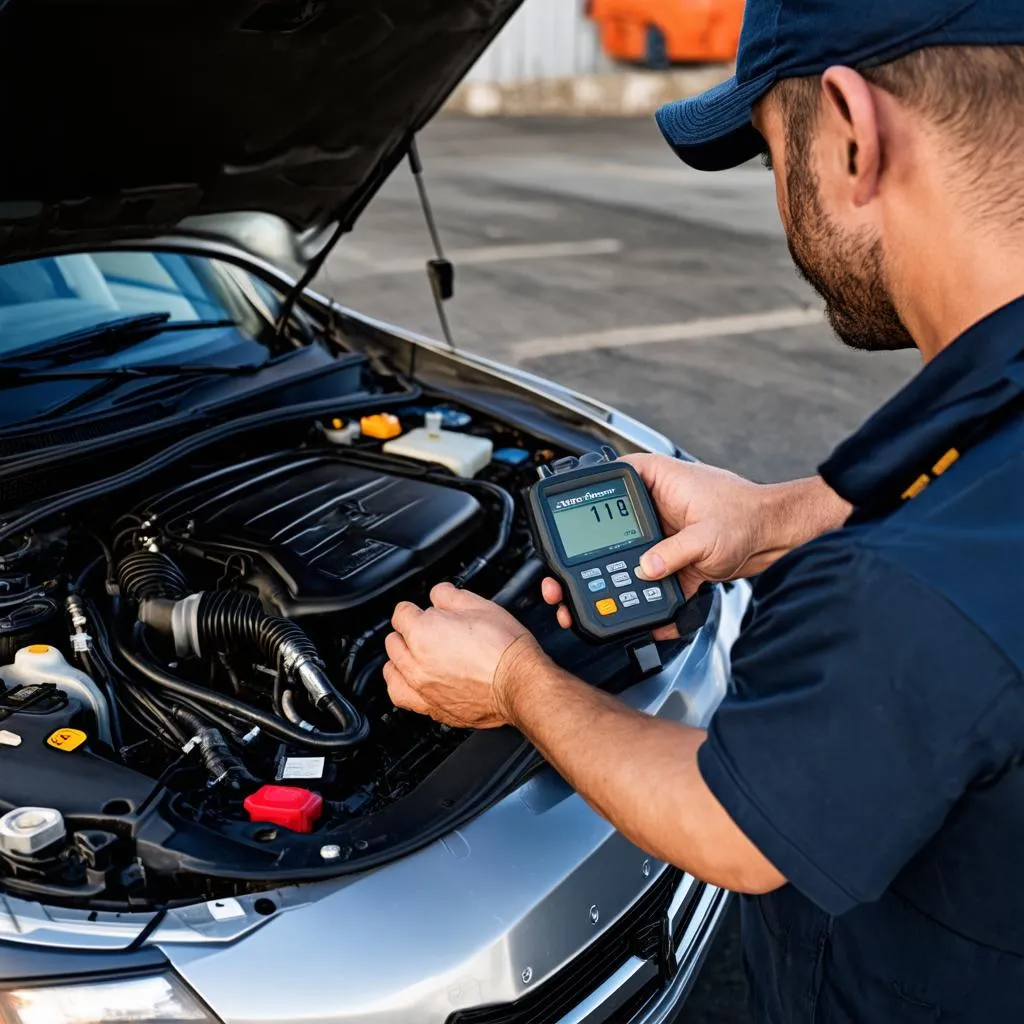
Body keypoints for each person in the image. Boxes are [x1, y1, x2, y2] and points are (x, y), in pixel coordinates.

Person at [383, 0, 1024, 1019]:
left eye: (775, 154)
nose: (782, 202)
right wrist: (775, 515)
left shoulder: (896, 593)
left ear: (853, 135)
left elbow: (731, 829)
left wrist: (512, 679)